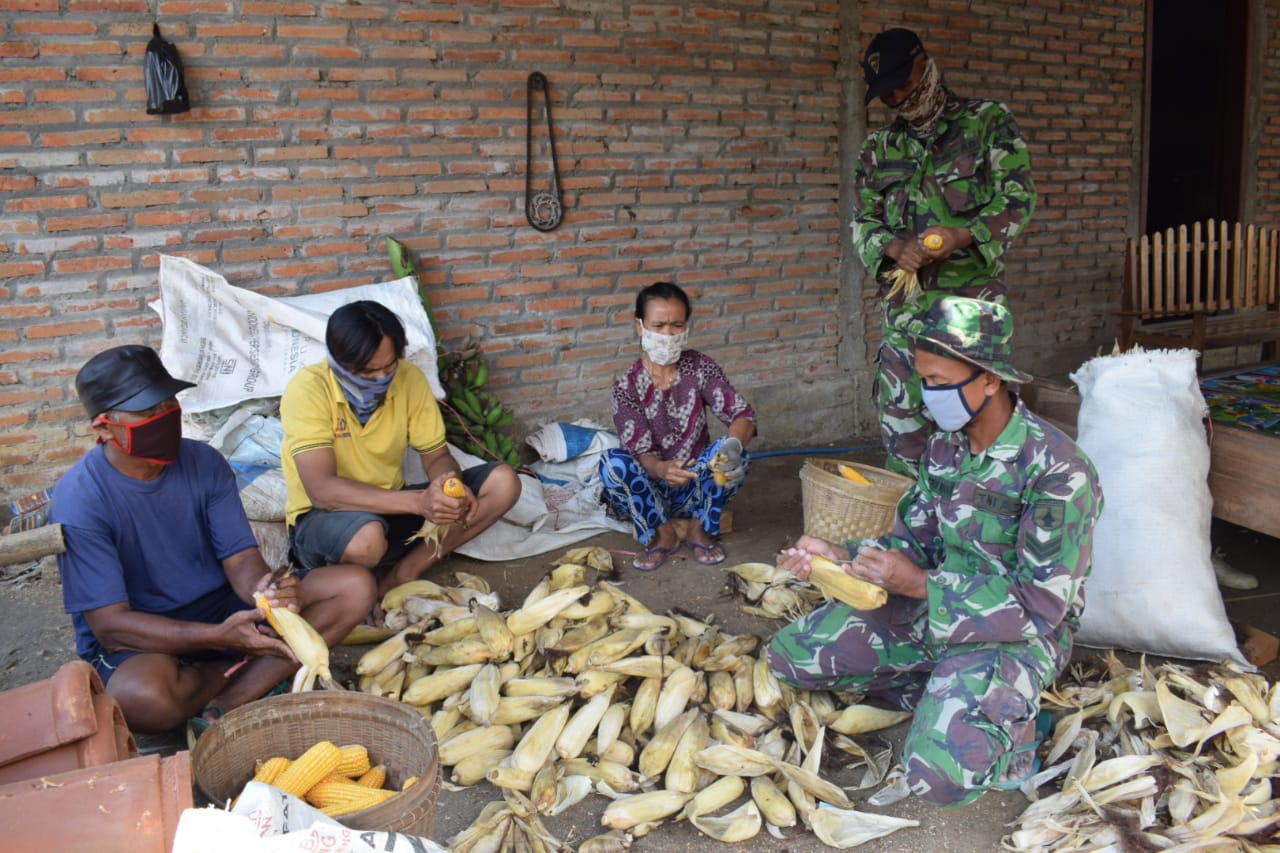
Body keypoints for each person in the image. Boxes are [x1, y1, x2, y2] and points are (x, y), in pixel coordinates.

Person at [769, 296, 1102, 806]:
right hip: (932, 607)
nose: (930, 398)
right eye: (925, 381)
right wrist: (839, 555)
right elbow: (912, 543)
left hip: (1014, 635)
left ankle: (1015, 720)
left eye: (943, 384)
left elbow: (1041, 604)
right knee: (789, 658)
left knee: (935, 780)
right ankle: (945, 692)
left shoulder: (1056, 471)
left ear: (991, 379)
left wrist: (919, 585)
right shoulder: (946, 447)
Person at [50, 345, 375, 734]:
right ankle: (248, 671)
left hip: (220, 607)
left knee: (353, 587)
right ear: (103, 427)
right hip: (144, 635)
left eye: (168, 403)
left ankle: (227, 703)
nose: (164, 416)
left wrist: (267, 593)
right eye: (147, 412)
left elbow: (240, 560)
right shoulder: (80, 500)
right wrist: (218, 636)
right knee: (143, 698)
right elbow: (112, 626)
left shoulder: (204, 462)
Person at [852, 27, 1037, 477]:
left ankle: (979, 525)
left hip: (970, 315)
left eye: (903, 81)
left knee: (982, 426)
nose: (897, 95)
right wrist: (894, 248)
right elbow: (862, 220)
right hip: (906, 315)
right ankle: (912, 534)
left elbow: (1017, 200)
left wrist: (962, 235)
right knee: (904, 432)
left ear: (924, 63)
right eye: (887, 92)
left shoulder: (988, 122)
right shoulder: (879, 148)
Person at [281, 300, 521, 600]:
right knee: (366, 537)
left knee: (504, 482)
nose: (382, 379)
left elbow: (435, 455)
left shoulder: (409, 380)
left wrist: (448, 486)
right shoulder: (309, 390)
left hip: (391, 511)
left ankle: (403, 572)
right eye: (369, 371)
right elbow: (322, 491)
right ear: (339, 361)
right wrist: (419, 502)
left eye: (389, 366)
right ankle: (355, 590)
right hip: (326, 520)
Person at [599, 282, 757, 571]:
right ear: (640, 326)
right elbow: (640, 452)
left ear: (686, 327)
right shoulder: (627, 386)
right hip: (649, 489)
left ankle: (700, 527)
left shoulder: (700, 367)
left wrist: (732, 446)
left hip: (697, 483)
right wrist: (661, 469)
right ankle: (663, 533)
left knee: (735, 453)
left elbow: (742, 415)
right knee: (612, 465)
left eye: (676, 325)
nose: (667, 335)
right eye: (658, 325)